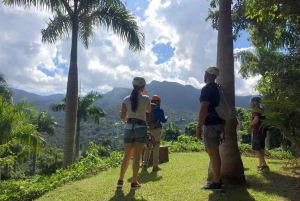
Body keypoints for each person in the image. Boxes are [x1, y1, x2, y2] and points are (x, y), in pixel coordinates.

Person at [116, 77, 151, 190]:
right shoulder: (145, 98)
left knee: (127, 156)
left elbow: (122, 117)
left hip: (128, 128)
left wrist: (128, 117)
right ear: (143, 87)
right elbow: (149, 110)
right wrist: (145, 95)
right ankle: (134, 182)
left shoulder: (126, 99)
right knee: (136, 157)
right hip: (140, 128)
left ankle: (120, 181)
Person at [196, 66, 225, 190]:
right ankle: (217, 179)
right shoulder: (218, 89)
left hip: (211, 123)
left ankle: (216, 182)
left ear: (207, 75)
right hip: (219, 122)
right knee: (212, 152)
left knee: (213, 153)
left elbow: (203, 108)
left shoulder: (207, 89)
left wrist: (198, 127)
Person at [142, 95, 168, 171]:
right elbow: (163, 120)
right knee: (156, 146)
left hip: (148, 129)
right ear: (158, 102)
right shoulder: (159, 109)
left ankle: (144, 165)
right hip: (156, 129)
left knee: (148, 147)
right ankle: (155, 166)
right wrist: (166, 117)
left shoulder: (147, 109)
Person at [249, 97, 269, 171]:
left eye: (251, 102)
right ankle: (260, 165)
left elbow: (256, 119)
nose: (250, 103)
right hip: (263, 131)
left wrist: (251, 124)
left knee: (256, 149)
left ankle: (264, 165)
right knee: (260, 148)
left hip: (257, 131)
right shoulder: (261, 110)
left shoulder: (255, 110)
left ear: (255, 102)